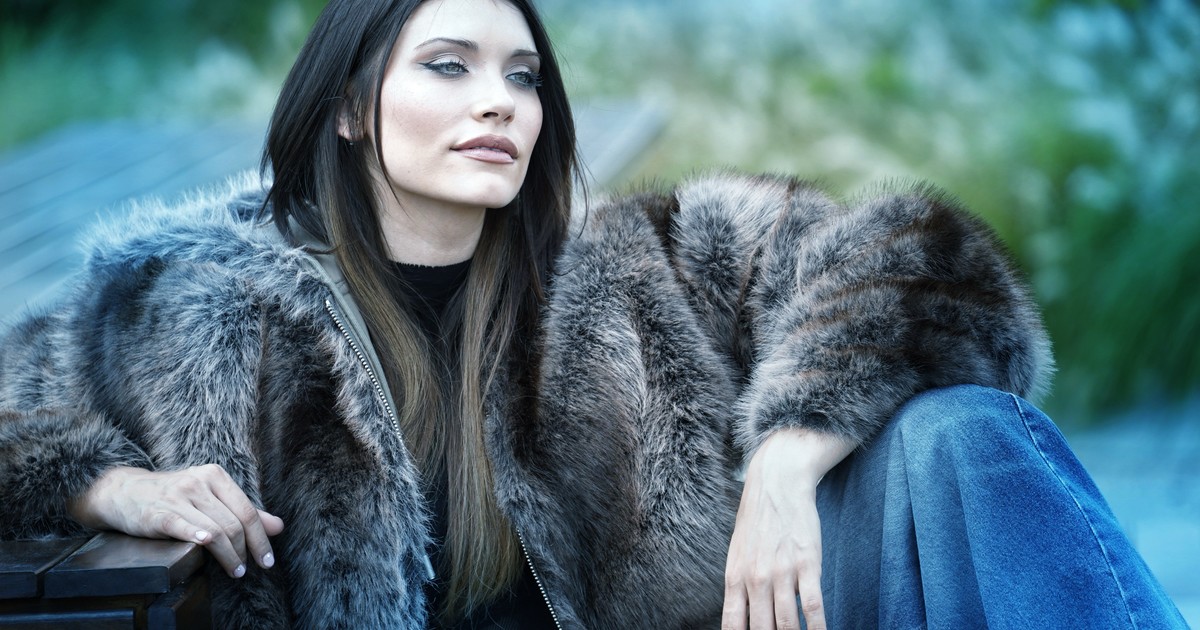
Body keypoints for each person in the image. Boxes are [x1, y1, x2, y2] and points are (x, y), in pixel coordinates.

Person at [0, 0, 1186, 628]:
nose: (500, 103)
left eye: (522, 75)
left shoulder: (629, 264)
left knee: (960, 435)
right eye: (449, 66)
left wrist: (788, 458)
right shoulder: (193, 305)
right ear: (353, 106)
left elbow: (933, 267)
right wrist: (107, 485)